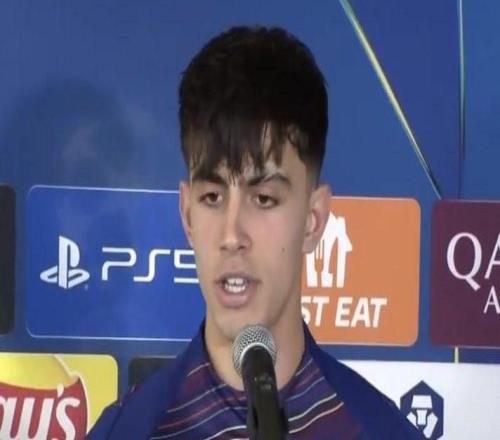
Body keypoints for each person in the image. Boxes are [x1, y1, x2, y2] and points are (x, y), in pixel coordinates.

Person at [87, 26, 423, 439]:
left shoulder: (378, 431)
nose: (232, 235)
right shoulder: (128, 430)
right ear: (187, 215)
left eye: (263, 199)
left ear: (313, 220)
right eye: (212, 197)